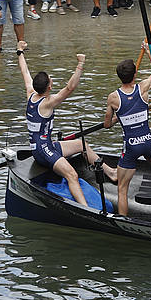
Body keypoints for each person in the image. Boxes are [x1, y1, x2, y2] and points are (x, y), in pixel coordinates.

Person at [20, 43, 110, 208]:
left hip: (45, 146)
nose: (52, 80)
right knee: (72, 175)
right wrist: (80, 64)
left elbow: (25, 71)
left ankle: (110, 172)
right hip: (43, 151)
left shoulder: (30, 93)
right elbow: (70, 87)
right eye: (50, 79)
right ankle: (86, 209)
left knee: (82, 144)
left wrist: (20, 51)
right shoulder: (48, 103)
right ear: (49, 86)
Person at [101, 58, 151, 215]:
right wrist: (149, 53)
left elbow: (107, 125)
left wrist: (117, 117)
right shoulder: (142, 88)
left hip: (131, 145)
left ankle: (122, 220)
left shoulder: (113, 97)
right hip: (148, 140)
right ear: (135, 74)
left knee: (122, 188)